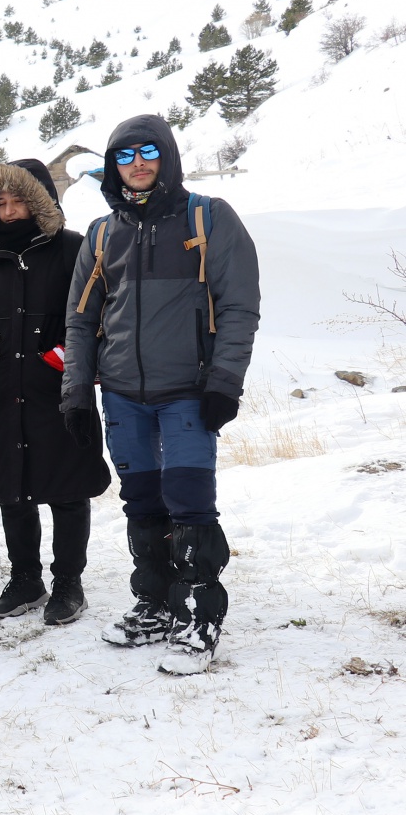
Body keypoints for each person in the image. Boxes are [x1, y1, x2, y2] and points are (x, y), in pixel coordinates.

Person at [64, 114, 260, 673]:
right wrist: (76, 391)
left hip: (189, 393)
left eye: (148, 152)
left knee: (190, 501)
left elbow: (240, 306)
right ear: (113, 167)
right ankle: (155, 603)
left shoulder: (210, 217)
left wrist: (224, 382)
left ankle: (198, 615)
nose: (138, 164)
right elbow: (80, 321)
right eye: (125, 156)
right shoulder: (103, 234)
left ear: (167, 156)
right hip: (121, 393)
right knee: (143, 501)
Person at [0, 162, 110, 628]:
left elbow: (100, 307)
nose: (8, 211)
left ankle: (69, 581)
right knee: (14, 491)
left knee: (67, 489)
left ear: (39, 200)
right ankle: (25, 577)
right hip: (5, 394)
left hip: (60, 390)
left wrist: (71, 355)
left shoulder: (72, 248)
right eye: (0, 204)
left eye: (17, 201)